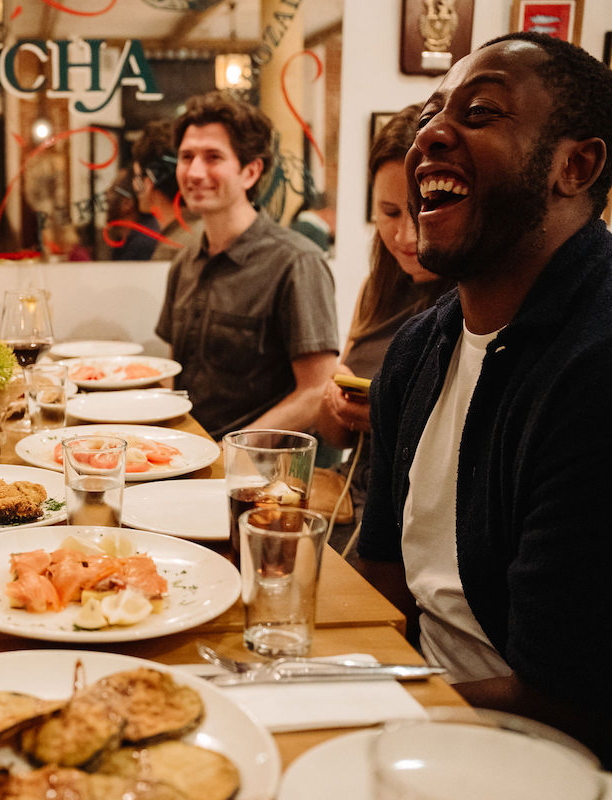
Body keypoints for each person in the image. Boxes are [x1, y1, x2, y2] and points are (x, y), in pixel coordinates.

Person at [358, 32, 612, 765]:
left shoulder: (594, 366)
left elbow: (568, 700)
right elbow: (384, 578)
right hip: (418, 713)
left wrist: (360, 705)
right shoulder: (418, 346)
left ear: (576, 165)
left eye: (479, 113)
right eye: (434, 109)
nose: (431, 133)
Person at [155, 92, 339, 439]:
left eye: (213, 157)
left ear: (251, 171)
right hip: (185, 453)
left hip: (258, 474)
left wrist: (235, 450)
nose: (195, 171)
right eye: (186, 156)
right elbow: (172, 371)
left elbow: (317, 391)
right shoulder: (185, 260)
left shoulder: (297, 263)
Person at [315, 106, 451, 548]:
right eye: (389, 213)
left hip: (419, 523)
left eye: (421, 210)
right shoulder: (377, 288)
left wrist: (384, 417)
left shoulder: (474, 300)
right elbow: (336, 437)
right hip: (352, 503)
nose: (406, 237)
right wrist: (333, 402)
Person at [130, 119, 202, 260]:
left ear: (148, 182)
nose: (134, 185)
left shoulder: (170, 251)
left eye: (137, 177)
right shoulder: (210, 234)